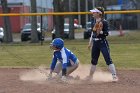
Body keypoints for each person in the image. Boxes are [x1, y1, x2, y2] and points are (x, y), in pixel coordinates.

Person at [87, 7, 118, 81]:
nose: (93, 13)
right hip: (95, 43)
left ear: (99, 13)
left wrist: (100, 31)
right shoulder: (93, 21)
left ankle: (114, 76)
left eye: (94, 12)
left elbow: (108, 33)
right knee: (94, 60)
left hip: (102, 42)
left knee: (108, 59)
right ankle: (90, 76)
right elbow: (92, 33)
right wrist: (90, 42)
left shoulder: (104, 22)